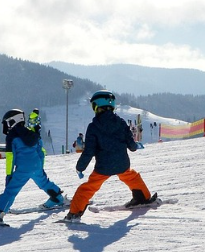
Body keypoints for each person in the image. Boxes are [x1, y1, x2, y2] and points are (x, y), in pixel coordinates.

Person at [63, 90, 156, 222]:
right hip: (122, 164)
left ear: (96, 106)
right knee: (132, 177)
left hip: (103, 167)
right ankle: (143, 197)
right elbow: (131, 145)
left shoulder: (93, 127)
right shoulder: (121, 123)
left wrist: (80, 167)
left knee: (88, 187)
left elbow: (89, 151)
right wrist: (135, 146)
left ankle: (74, 212)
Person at [0, 109, 66, 221]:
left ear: (13, 121)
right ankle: (57, 197)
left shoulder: (12, 136)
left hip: (22, 169)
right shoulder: (31, 133)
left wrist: (9, 175)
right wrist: (40, 168)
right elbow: (41, 152)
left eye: (8, 123)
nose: (7, 126)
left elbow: (10, 157)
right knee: (44, 182)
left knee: (11, 191)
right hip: (36, 166)